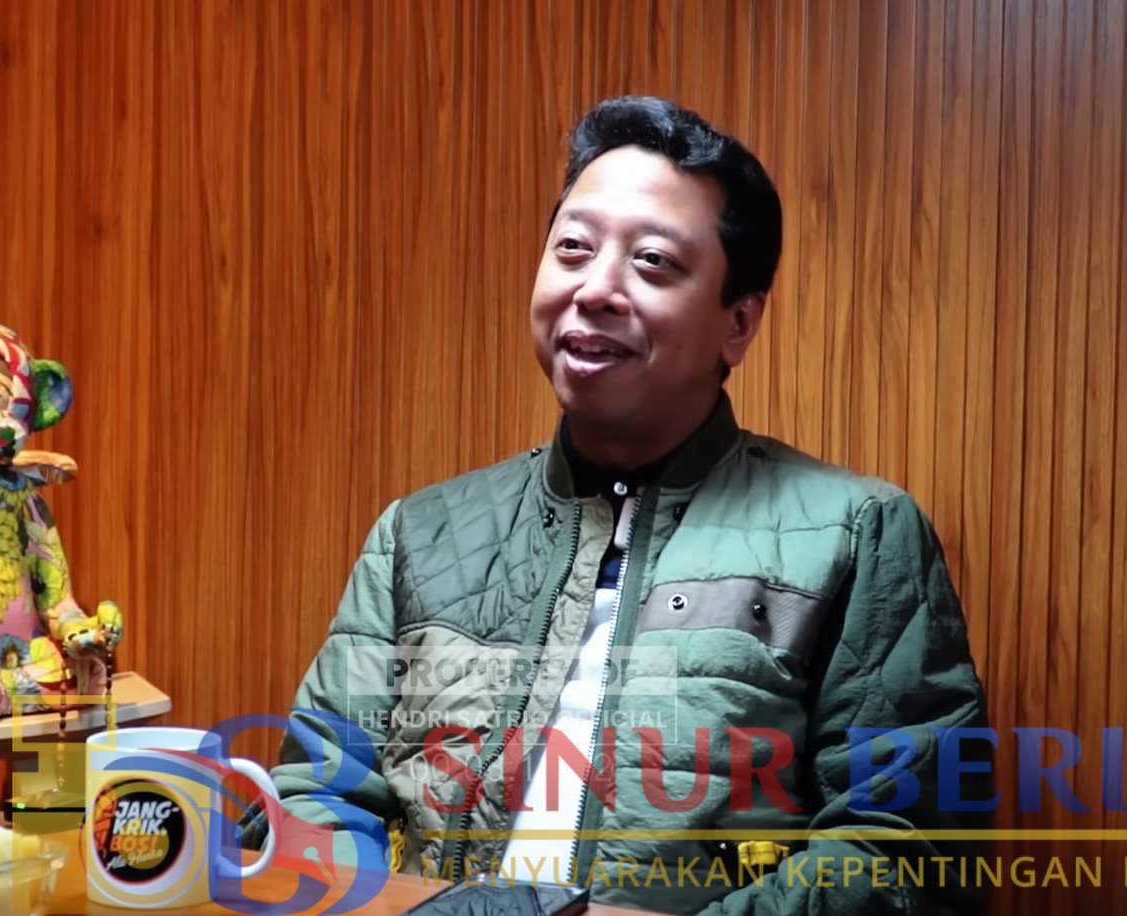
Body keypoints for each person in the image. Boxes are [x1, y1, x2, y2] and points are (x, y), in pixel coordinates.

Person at [242, 95, 990, 915]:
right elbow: (316, 794)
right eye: (573, 247)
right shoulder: (419, 535)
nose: (595, 287)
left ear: (738, 323)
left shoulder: (855, 534)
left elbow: (900, 851)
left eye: (653, 261)